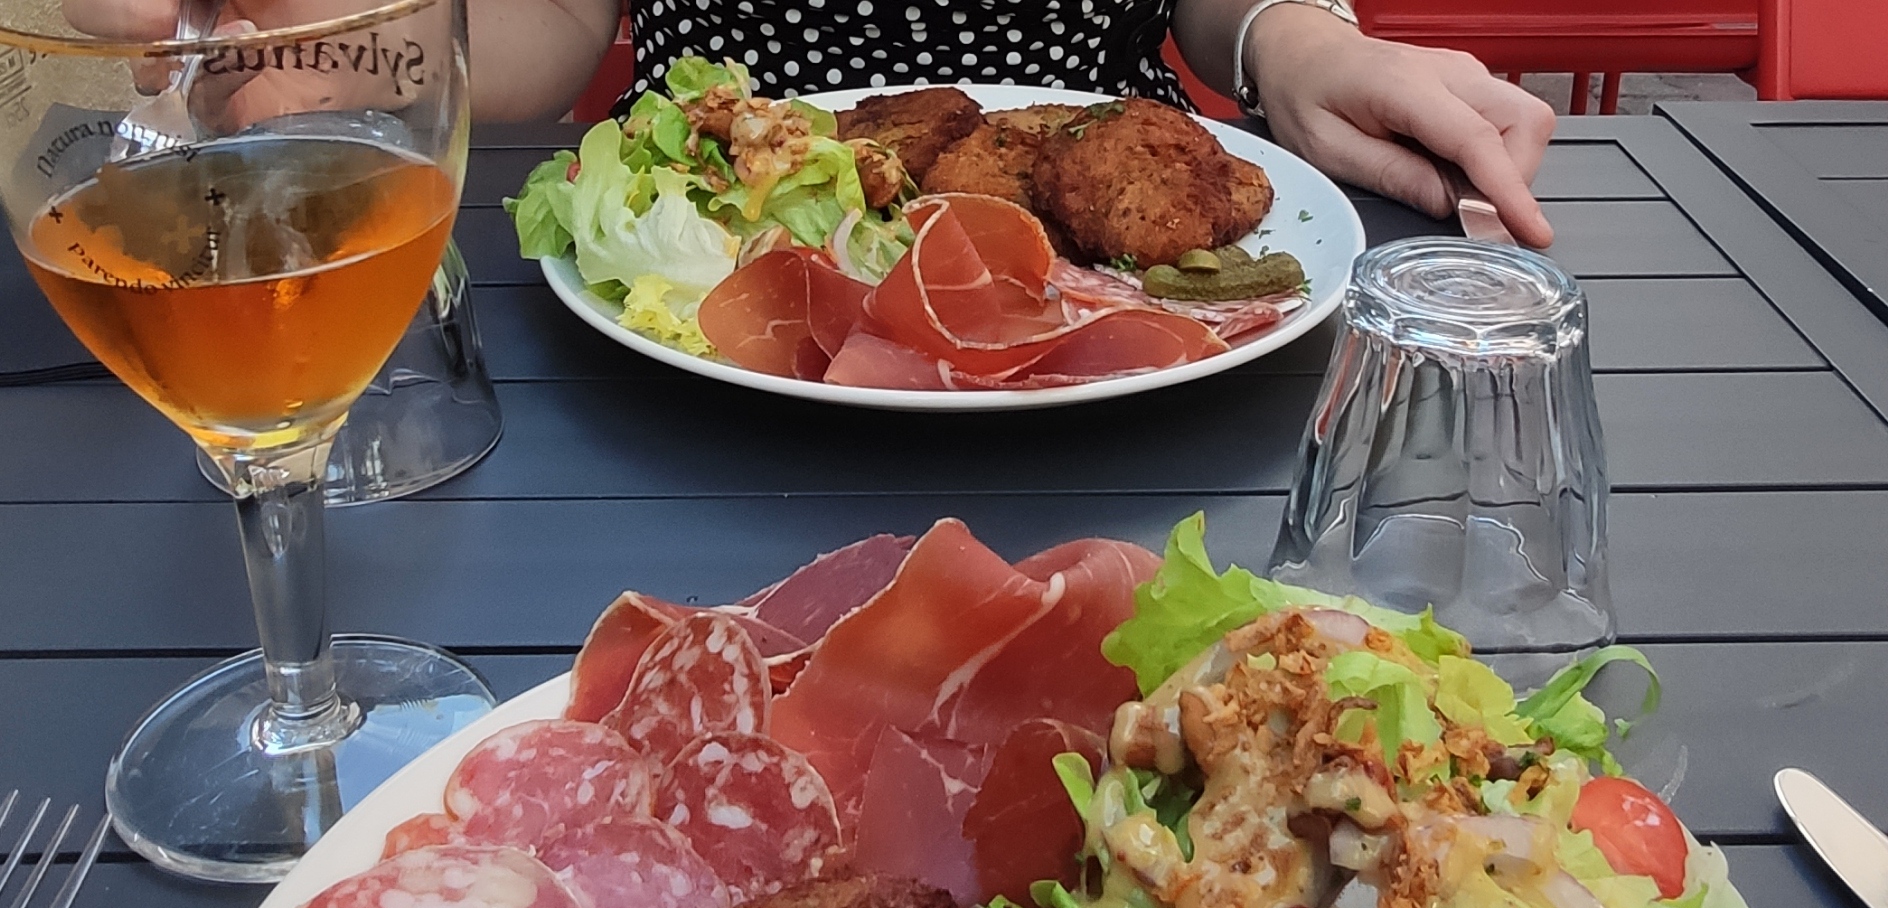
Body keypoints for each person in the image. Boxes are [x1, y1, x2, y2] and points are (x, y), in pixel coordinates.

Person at [63, 0, 1556, 244]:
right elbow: (548, 23)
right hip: (723, 278)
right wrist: (354, 43)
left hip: (1128, 313)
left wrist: (1298, 41)